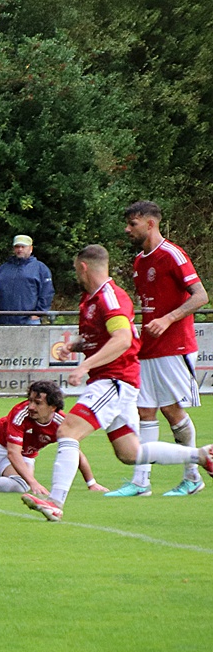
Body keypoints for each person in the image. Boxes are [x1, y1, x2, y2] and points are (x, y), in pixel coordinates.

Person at [21, 244, 213, 522]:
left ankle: (54, 502)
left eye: (76, 269)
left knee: (67, 431)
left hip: (114, 380)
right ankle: (201, 455)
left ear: (83, 267)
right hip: (115, 381)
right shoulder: (91, 299)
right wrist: (75, 345)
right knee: (130, 453)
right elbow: (103, 336)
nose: (76, 275)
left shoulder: (110, 297)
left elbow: (122, 339)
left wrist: (85, 365)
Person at [105, 200, 209, 498]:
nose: (127, 229)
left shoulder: (172, 254)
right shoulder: (140, 261)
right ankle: (141, 482)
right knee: (144, 410)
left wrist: (167, 319)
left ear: (150, 223)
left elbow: (200, 296)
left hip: (175, 345)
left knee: (171, 409)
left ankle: (192, 477)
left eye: (133, 224)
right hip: (149, 347)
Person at [0, 234, 54, 325]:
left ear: (31, 248)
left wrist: (39, 312)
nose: (20, 249)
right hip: (3, 320)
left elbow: (47, 293)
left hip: (29, 321)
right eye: (17, 246)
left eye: (23, 247)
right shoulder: (3, 268)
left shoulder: (40, 268)